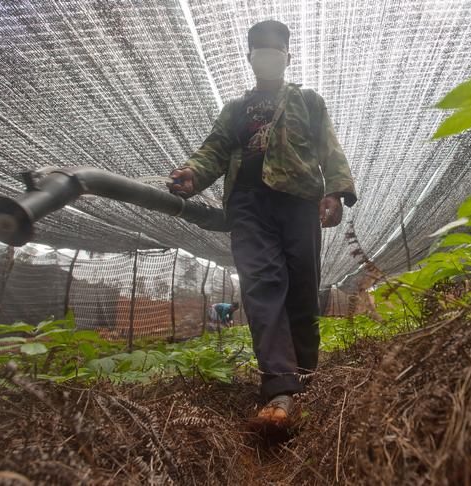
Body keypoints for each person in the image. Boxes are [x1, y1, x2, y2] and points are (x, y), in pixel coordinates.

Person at [167, 19, 357, 426]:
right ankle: (279, 389)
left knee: (302, 291)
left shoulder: (307, 100)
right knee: (262, 287)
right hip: (249, 204)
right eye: (260, 52)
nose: (267, 58)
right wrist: (192, 174)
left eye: (275, 52)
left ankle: (305, 376)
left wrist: (335, 190)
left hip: (299, 200)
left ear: (287, 58)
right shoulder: (236, 109)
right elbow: (213, 151)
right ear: (250, 58)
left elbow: (329, 147)